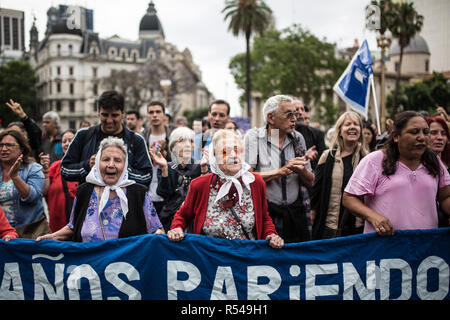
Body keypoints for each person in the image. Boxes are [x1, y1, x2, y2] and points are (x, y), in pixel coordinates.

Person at [167, 130, 283, 248]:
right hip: (210, 257)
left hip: (246, 257)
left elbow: (263, 218)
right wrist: (177, 228)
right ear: (214, 157)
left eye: (237, 150)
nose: (233, 155)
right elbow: (182, 215)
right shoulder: (199, 185)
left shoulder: (255, 182)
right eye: (225, 151)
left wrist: (271, 234)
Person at [37, 137, 164, 242]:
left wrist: (162, 236)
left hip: (126, 269)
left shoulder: (138, 193)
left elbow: (156, 229)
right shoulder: (84, 191)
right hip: (89, 268)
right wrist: (52, 237)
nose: (111, 165)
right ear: (98, 163)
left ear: (125, 165)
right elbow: (73, 226)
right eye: (106, 159)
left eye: (117, 160)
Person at [343, 111, 450, 236]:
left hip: (425, 247)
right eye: (414, 132)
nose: (421, 137)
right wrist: (373, 217)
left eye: (426, 132)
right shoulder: (374, 160)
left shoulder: (434, 161)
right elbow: (349, 198)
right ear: (396, 136)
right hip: (385, 247)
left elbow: (445, 197)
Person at [244, 95, 314, 243]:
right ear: (271, 118)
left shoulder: (298, 138)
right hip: (266, 214)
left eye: (295, 114)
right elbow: (246, 177)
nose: (294, 118)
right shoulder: (254, 137)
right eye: (289, 114)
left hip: (295, 214)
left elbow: (311, 182)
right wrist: (279, 172)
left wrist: (301, 170)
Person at [61, 90, 152, 186]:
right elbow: (65, 170)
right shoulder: (83, 135)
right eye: (105, 115)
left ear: (122, 113)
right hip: (89, 200)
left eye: (114, 115)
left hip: (126, 200)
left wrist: (123, 169)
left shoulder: (136, 140)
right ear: (98, 112)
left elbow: (147, 176)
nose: (109, 120)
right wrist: (88, 165)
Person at [310, 111, 368, 240]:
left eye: (356, 124)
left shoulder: (368, 159)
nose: (352, 127)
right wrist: (313, 213)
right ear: (340, 131)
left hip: (358, 227)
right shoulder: (327, 156)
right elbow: (316, 190)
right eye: (348, 124)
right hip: (330, 226)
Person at [149, 127, 209, 231]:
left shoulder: (200, 165)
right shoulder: (167, 166)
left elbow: (206, 194)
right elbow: (163, 193)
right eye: (182, 141)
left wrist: (204, 168)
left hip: (195, 218)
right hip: (171, 219)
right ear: (173, 147)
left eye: (190, 141)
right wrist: (164, 169)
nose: (187, 145)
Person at [0, 129, 48, 238]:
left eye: (9, 145)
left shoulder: (33, 169)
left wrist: (15, 177)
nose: (3, 149)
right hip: (3, 235)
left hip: (30, 233)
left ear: (21, 149)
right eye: (1, 145)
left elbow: (33, 197)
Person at [39, 129, 78, 232]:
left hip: (80, 225)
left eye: (71, 140)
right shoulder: (54, 167)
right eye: (64, 141)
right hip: (57, 226)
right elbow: (44, 191)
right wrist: (45, 172)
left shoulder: (85, 166)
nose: (67, 144)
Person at [143, 101, 174, 214]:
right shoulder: (142, 137)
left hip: (168, 191)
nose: (154, 115)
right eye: (151, 112)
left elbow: (180, 162)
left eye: (158, 112)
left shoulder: (173, 134)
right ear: (147, 116)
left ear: (164, 115)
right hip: (147, 191)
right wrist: (148, 154)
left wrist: (166, 153)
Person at [293, 99, 325, 170]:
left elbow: (323, 159)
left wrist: (308, 159)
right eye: (296, 109)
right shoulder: (277, 132)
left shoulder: (316, 133)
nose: (300, 112)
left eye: (302, 109)